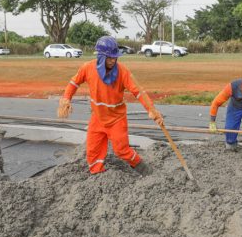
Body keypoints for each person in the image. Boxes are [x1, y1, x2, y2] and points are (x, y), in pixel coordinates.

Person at [57, 35, 163, 176]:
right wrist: (66, 98)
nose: (113, 60)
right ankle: (97, 174)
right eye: (109, 57)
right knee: (92, 151)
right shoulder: (87, 68)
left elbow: (138, 91)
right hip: (97, 118)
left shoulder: (123, 72)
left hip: (116, 119)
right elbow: (73, 82)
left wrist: (152, 110)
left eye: (115, 57)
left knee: (122, 150)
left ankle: (145, 170)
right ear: (100, 56)